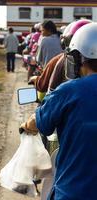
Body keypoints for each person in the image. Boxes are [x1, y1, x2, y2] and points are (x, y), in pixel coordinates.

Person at [20, 22, 97, 199]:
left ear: (76, 58)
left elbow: (38, 123)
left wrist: (26, 125)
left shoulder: (69, 91)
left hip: (73, 191)